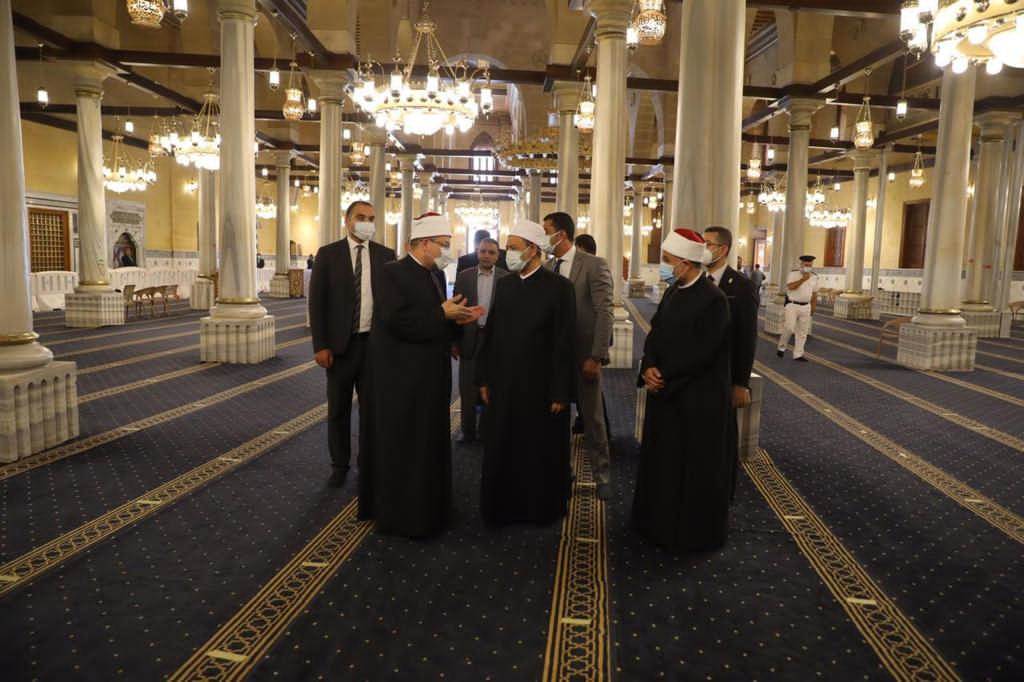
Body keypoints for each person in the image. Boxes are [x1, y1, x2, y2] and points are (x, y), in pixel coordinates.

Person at [366, 213, 477, 537]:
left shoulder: (433, 275)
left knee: (429, 444)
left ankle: (431, 508)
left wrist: (456, 319)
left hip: (430, 376)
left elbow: (431, 320)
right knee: (406, 446)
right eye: (444, 244)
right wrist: (441, 313)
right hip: (402, 380)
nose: (448, 251)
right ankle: (405, 516)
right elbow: (397, 321)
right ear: (425, 244)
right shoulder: (391, 272)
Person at [633, 228, 732, 551]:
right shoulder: (674, 291)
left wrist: (664, 375)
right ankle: (654, 524)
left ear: (686, 263)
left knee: (689, 467)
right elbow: (655, 334)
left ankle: (686, 534)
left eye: (667, 259)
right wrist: (648, 366)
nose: (663, 265)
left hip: (695, 398)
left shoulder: (714, 299)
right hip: (664, 392)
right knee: (662, 463)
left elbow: (704, 352)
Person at [477, 219, 576, 525]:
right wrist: (484, 378)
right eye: (507, 247)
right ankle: (502, 507)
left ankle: (537, 509)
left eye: (514, 248)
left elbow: (565, 342)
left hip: (540, 386)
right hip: (504, 383)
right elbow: (492, 334)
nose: (508, 253)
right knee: (502, 445)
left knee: (535, 450)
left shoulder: (560, 288)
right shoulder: (506, 284)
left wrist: (561, 391)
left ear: (533, 250)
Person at [309, 201, 396, 490]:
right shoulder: (328, 254)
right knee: (338, 409)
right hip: (340, 347)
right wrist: (320, 345)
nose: (367, 223)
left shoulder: (386, 256)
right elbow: (317, 303)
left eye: (371, 218)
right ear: (347, 221)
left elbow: (391, 303)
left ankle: (368, 462)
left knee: (373, 411)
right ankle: (339, 465)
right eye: (361, 217)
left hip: (374, 346)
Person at [542, 212, 615, 499]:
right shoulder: (548, 266)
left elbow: (604, 311)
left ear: (560, 234)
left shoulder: (593, 265)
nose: (543, 236)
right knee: (556, 415)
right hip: (554, 356)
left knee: (592, 418)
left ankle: (602, 475)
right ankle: (562, 471)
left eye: (546, 230)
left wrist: (597, 356)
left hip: (584, 353)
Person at [703, 226, 758, 498]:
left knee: (723, 436)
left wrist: (740, 383)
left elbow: (746, 338)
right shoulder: (697, 281)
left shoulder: (741, 286)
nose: (703, 249)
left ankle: (723, 490)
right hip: (699, 375)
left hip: (725, 374)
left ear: (722, 249)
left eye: (708, 244)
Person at [453, 237, 508, 443]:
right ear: (477, 252)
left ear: (497, 256)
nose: (486, 255)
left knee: (491, 385)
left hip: (494, 339)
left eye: (491, 252)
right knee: (467, 387)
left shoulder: (506, 278)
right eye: (483, 251)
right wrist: (454, 341)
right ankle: (467, 431)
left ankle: (487, 430)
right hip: (469, 336)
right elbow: (456, 309)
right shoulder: (464, 277)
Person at [777, 255, 819, 362]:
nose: (808, 267)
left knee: (802, 332)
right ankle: (781, 347)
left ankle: (798, 354)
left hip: (806, 306)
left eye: (810, 265)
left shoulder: (814, 277)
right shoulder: (793, 274)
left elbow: (814, 294)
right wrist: (803, 279)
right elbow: (790, 287)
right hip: (792, 305)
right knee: (789, 328)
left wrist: (813, 308)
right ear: (801, 264)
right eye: (806, 265)